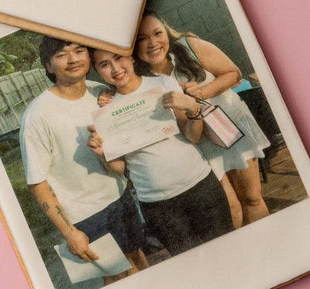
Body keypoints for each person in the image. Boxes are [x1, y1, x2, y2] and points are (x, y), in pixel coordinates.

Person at [20, 38, 147, 280]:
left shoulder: (101, 92)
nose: (73, 59)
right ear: (48, 66)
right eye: (61, 55)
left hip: (120, 198)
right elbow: (37, 183)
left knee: (139, 260)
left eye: (79, 51)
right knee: (119, 280)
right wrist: (69, 233)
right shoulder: (37, 116)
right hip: (85, 214)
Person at [88, 48, 234, 257]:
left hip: (201, 187)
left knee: (230, 253)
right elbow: (120, 169)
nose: (115, 68)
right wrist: (102, 153)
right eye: (104, 64)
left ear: (130, 56)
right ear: (97, 70)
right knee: (193, 268)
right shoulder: (106, 111)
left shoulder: (162, 84)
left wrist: (193, 110)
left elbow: (193, 136)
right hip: (158, 206)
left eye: (119, 58)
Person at [135, 13, 269, 227]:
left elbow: (233, 74)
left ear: (166, 31)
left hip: (232, 129)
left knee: (252, 198)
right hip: (198, 144)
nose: (153, 43)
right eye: (142, 39)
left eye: (157, 33)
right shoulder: (138, 78)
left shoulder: (189, 46)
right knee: (230, 208)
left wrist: (201, 93)